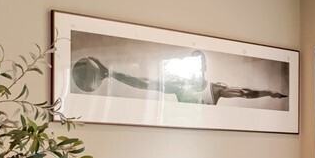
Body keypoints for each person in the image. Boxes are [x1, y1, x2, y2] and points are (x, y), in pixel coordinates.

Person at [70, 49, 287, 106]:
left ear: (203, 67)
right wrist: (111, 73)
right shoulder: (178, 86)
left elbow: (245, 93)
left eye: (198, 64)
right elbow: (145, 83)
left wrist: (268, 93)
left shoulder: (216, 89)